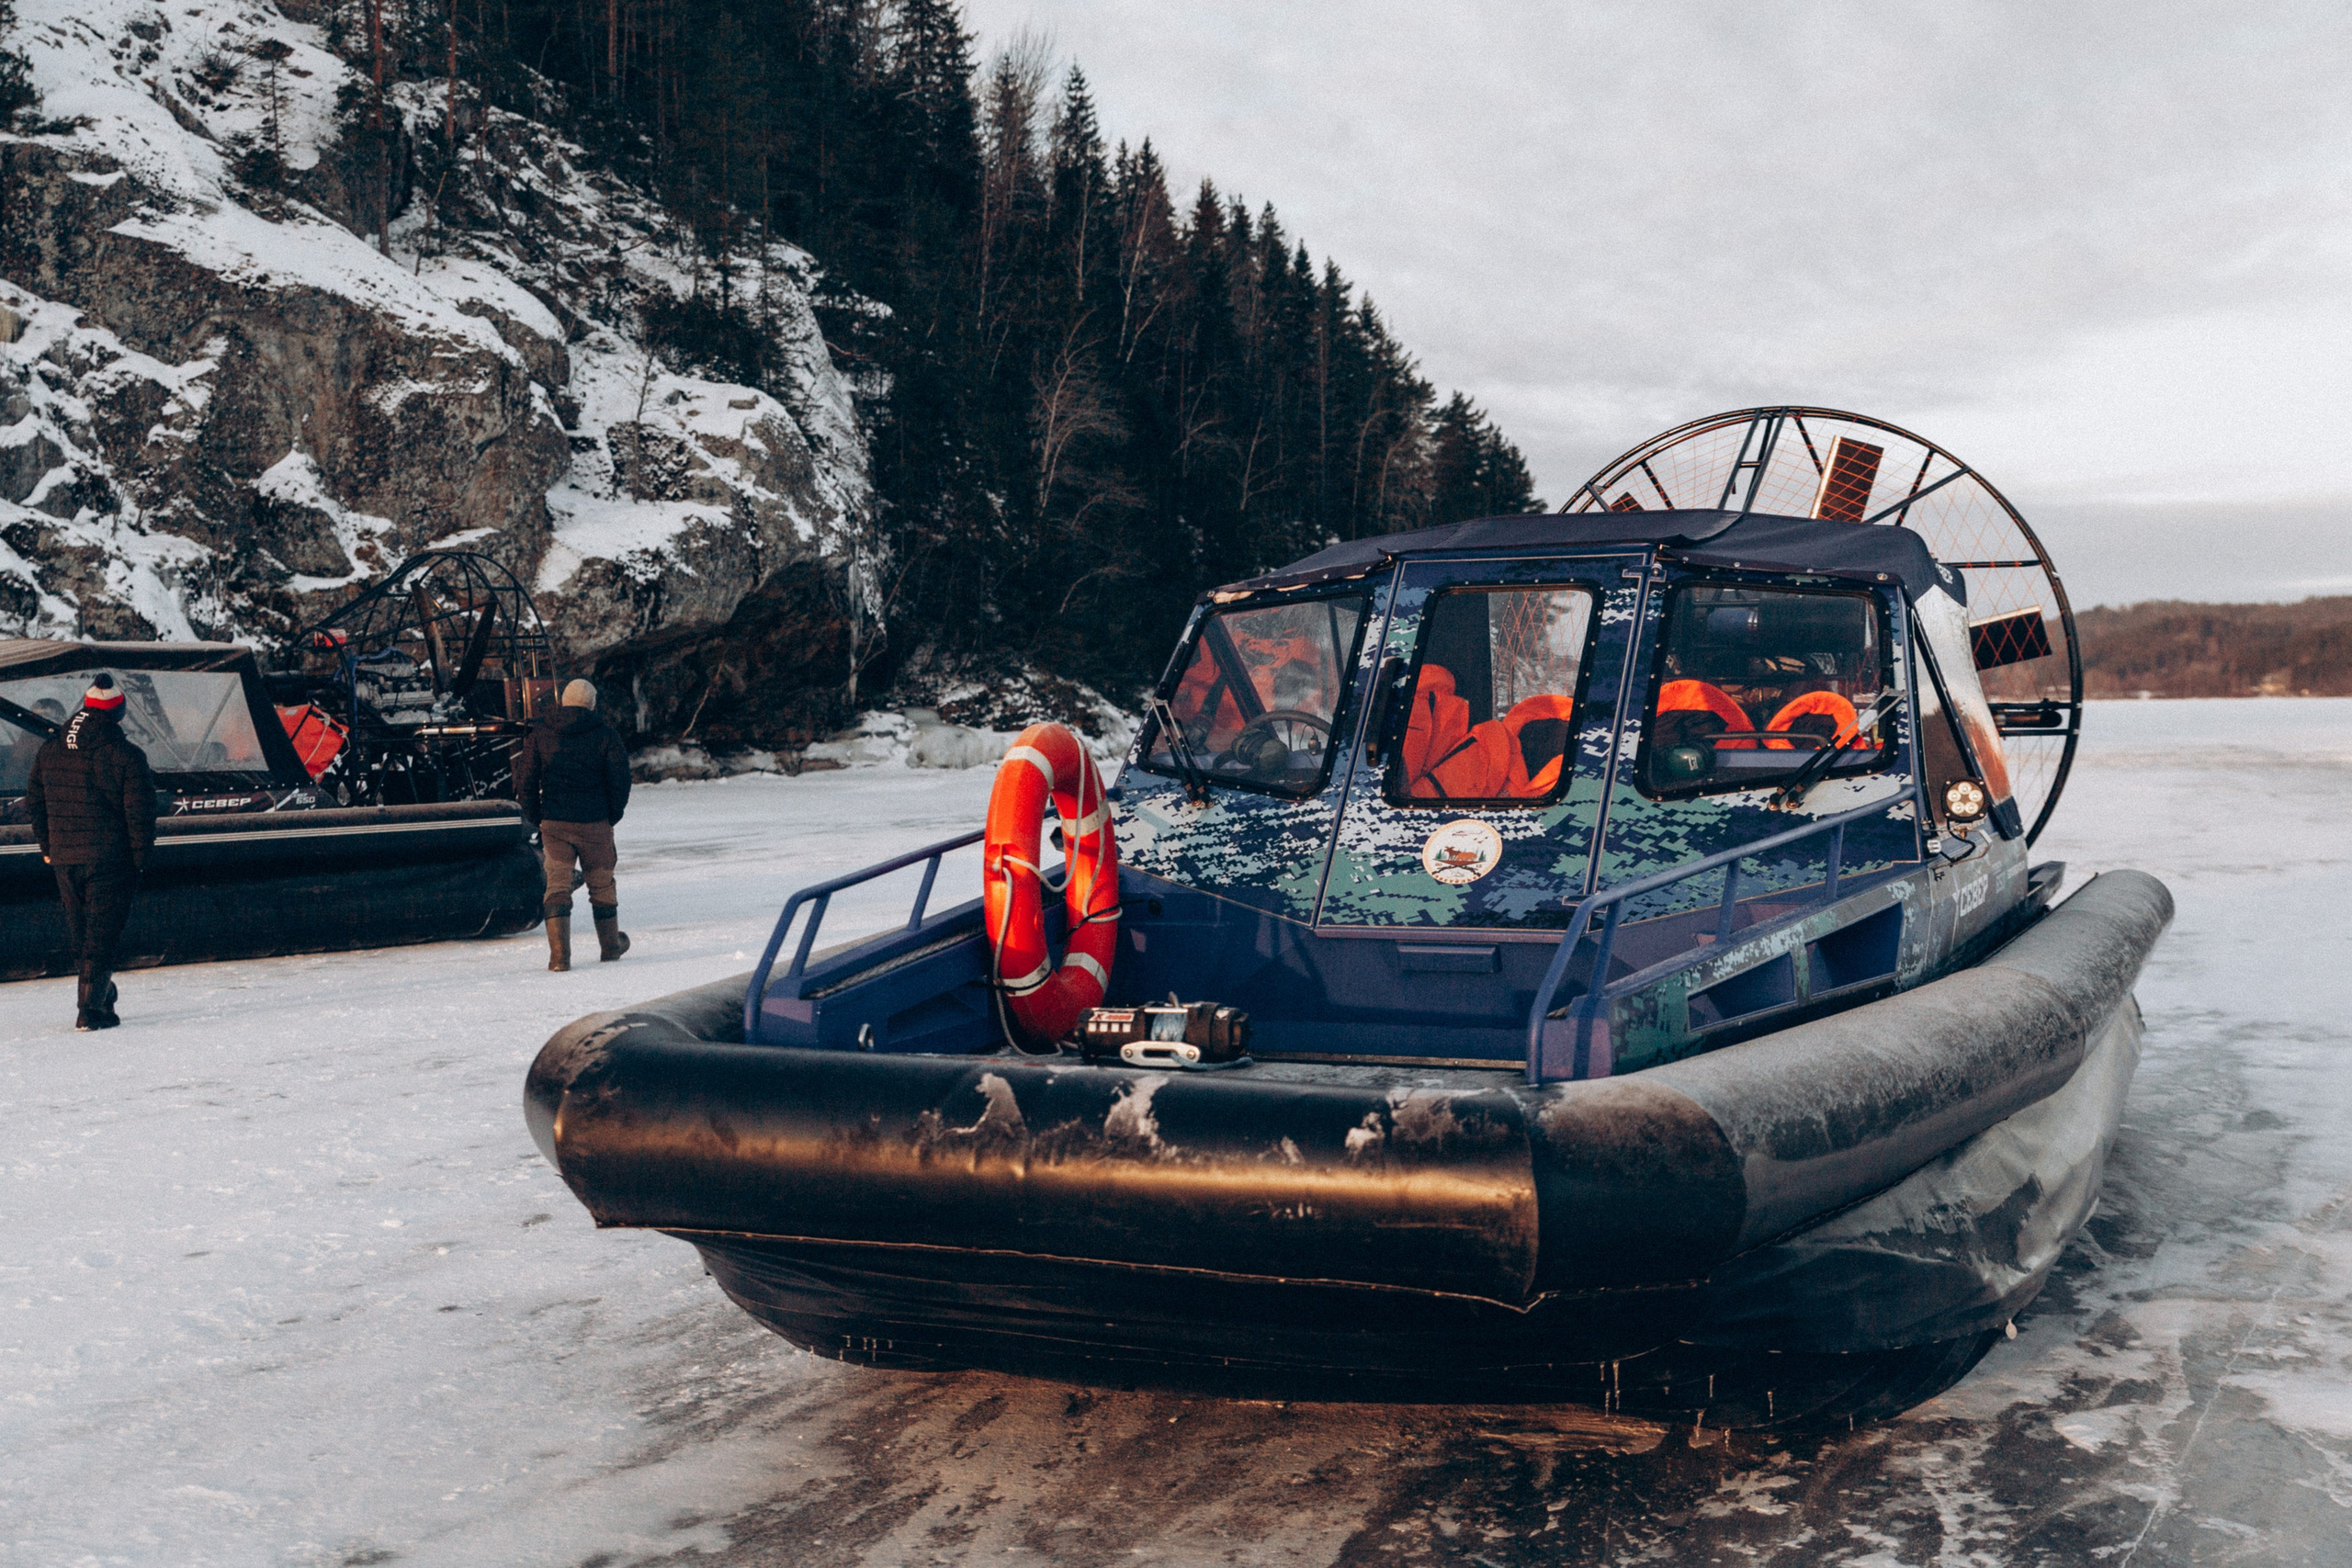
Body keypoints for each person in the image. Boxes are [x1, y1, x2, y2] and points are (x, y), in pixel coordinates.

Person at [26, 674, 157, 1030]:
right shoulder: (127, 755)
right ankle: (90, 1011)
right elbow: (140, 814)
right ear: (117, 713)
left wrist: (48, 847)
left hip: (65, 859)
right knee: (102, 936)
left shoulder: (50, 750)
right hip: (111, 861)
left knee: (82, 934)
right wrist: (140, 861)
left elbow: (35, 801)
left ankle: (103, 996)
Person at [514, 678, 631, 972]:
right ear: (591, 703)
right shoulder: (606, 735)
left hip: (555, 823)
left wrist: (538, 817)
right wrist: (611, 815)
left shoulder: (540, 734)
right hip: (595, 823)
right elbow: (621, 781)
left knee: (556, 886)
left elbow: (525, 782)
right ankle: (611, 947)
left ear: (563, 702)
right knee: (602, 885)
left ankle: (559, 958)